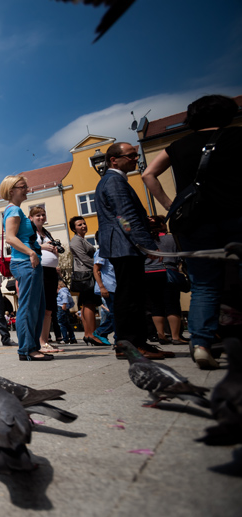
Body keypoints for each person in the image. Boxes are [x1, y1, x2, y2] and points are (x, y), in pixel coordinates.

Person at [142, 94, 242, 369]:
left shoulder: (178, 145)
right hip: (234, 214)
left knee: (204, 284)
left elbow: (148, 174)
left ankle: (200, 344)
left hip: (193, 222)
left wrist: (170, 205)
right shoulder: (235, 137)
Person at [95, 142, 170, 360]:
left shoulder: (112, 180)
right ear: (114, 160)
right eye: (131, 156)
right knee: (130, 297)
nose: (136, 159)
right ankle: (130, 344)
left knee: (133, 296)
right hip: (124, 245)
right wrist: (146, 243)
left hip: (123, 245)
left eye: (136, 155)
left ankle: (137, 342)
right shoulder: (114, 181)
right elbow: (124, 217)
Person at [1, 175, 50, 361]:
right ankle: (27, 349)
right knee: (29, 307)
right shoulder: (13, 210)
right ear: (11, 190)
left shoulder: (17, 210)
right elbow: (11, 238)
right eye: (23, 186)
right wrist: (30, 253)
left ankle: (33, 347)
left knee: (37, 307)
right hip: (24, 262)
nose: (27, 189)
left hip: (30, 263)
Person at [143, 216, 184, 346]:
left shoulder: (145, 240)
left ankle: (161, 335)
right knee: (172, 304)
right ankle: (176, 336)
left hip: (148, 274)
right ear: (162, 225)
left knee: (156, 305)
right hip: (168, 272)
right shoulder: (171, 238)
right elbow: (180, 256)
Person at [29, 205, 62, 353]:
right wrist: (42, 247)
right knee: (40, 307)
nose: (41, 217)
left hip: (51, 271)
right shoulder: (30, 232)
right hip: (38, 270)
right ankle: (40, 342)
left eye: (43, 215)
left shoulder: (47, 233)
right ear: (31, 218)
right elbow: (27, 247)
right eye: (38, 215)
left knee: (49, 308)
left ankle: (45, 341)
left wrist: (55, 250)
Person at [68, 216, 101, 345]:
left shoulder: (82, 240)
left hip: (86, 273)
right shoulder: (76, 241)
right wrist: (99, 264)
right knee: (89, 304)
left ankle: (89, 334)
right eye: (79, 225)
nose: (83, 226)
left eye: (84, 223)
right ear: (74, 229)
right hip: (85, 275)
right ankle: (91, 334)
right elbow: (84, 259)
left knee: (86, 304)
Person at [92, 232, 116, 345]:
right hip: (108, 287)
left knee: (116, 313)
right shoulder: (101, 253)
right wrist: (102, 287)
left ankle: (101, 332)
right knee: (115, 313)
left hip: (115, 286)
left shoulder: (113, 252)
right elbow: (96, 270)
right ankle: (103, 332)